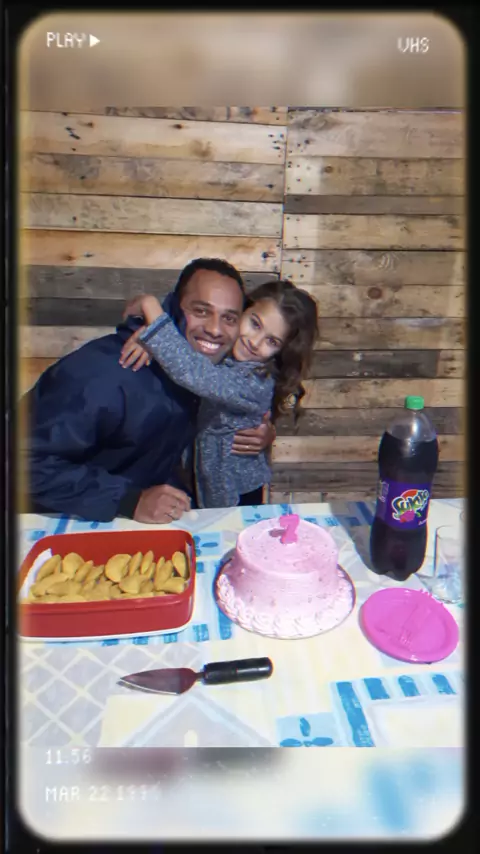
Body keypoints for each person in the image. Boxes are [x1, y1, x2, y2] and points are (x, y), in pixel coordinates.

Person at [20, 259, 276, 523]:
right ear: (174, 308)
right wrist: (129, 500)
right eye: (201, 311)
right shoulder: (103, 374)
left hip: (148, 515)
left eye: (229, 318)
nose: (215, 329)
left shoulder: (211, 370)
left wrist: (259, 431)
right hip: (59, 523)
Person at [119, 280, 318, 508]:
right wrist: (147, 336)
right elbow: (185, 328)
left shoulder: (255, 382)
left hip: (236, 495)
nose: (255, 342)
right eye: (255, 324)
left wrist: (150, 305)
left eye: (272, 341)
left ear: (282, 350)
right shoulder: (226, 352)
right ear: (243, 310)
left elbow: (194, 372)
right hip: (198, 479)